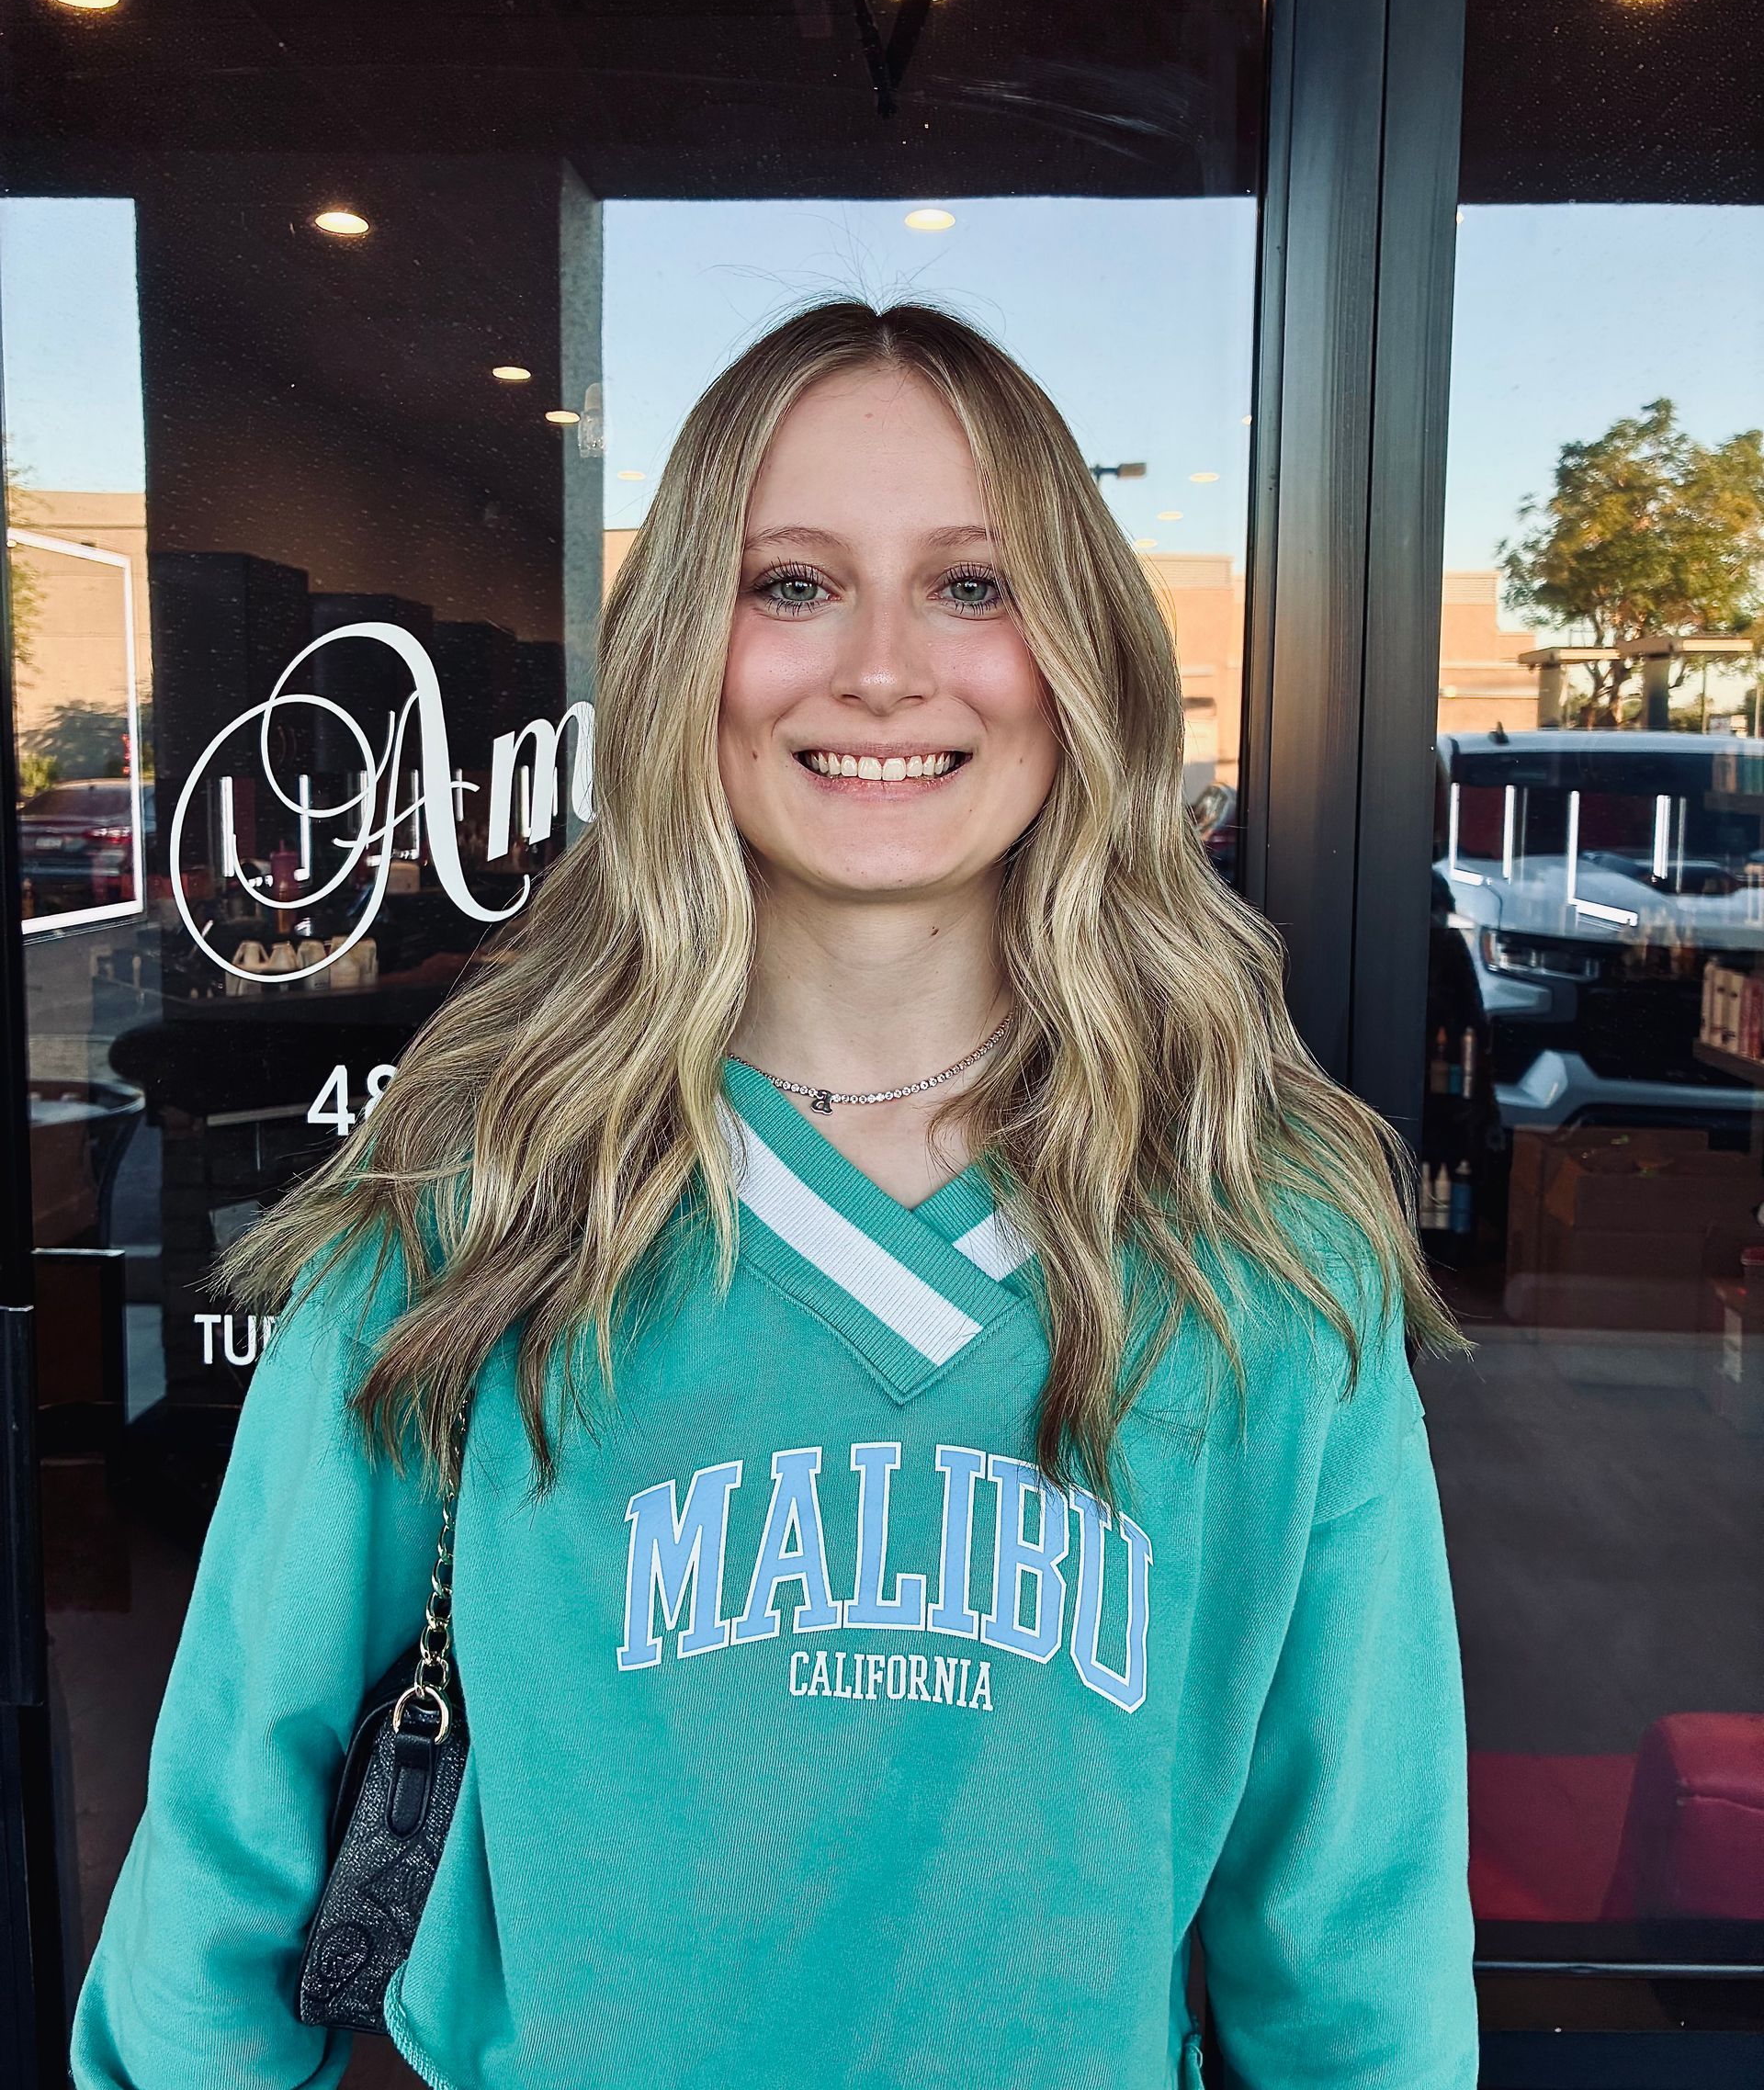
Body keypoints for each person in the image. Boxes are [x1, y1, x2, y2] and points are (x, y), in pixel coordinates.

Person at [71, 300, 1479, 2089]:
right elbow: (230, 1848)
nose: (882, 666)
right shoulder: (477, 1183)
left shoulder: (1260, 1228)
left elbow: (1350, 1922)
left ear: (1082, 658)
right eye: (793, 581)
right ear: (684, 662)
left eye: (974, 585)